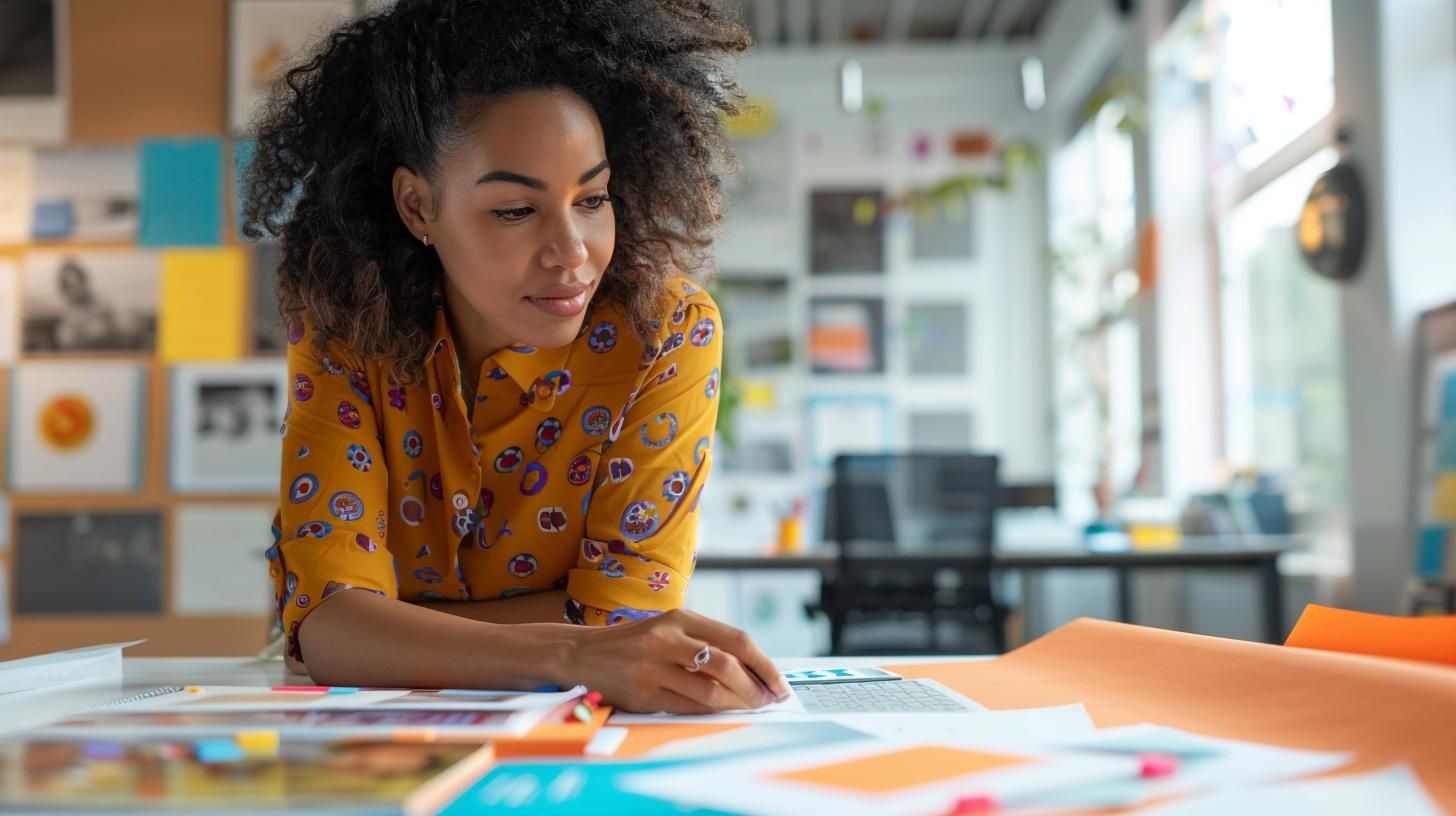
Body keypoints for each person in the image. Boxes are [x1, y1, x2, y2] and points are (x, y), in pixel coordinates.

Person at [239, 0, 790, 713]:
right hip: (365, 734)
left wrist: (386, 632)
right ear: (416, 207)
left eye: (592, 199)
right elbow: (335, 630)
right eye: (514, 211)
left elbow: (618, 617)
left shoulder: (667, 334)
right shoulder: (345, 331)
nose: (573, 253)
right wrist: (570, 644)